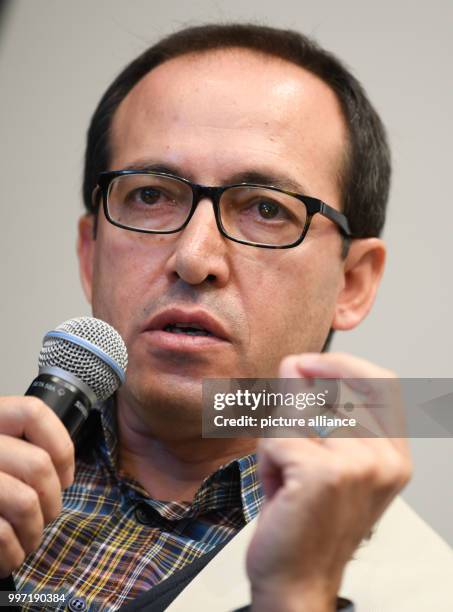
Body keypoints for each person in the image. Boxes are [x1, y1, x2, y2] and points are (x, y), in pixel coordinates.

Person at [0, 23, 412, 612]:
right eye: (150, 195)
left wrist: (295, 597)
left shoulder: (415, 588)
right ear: (92, 255)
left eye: (267, 209)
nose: (194, 259)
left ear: (352, 282)